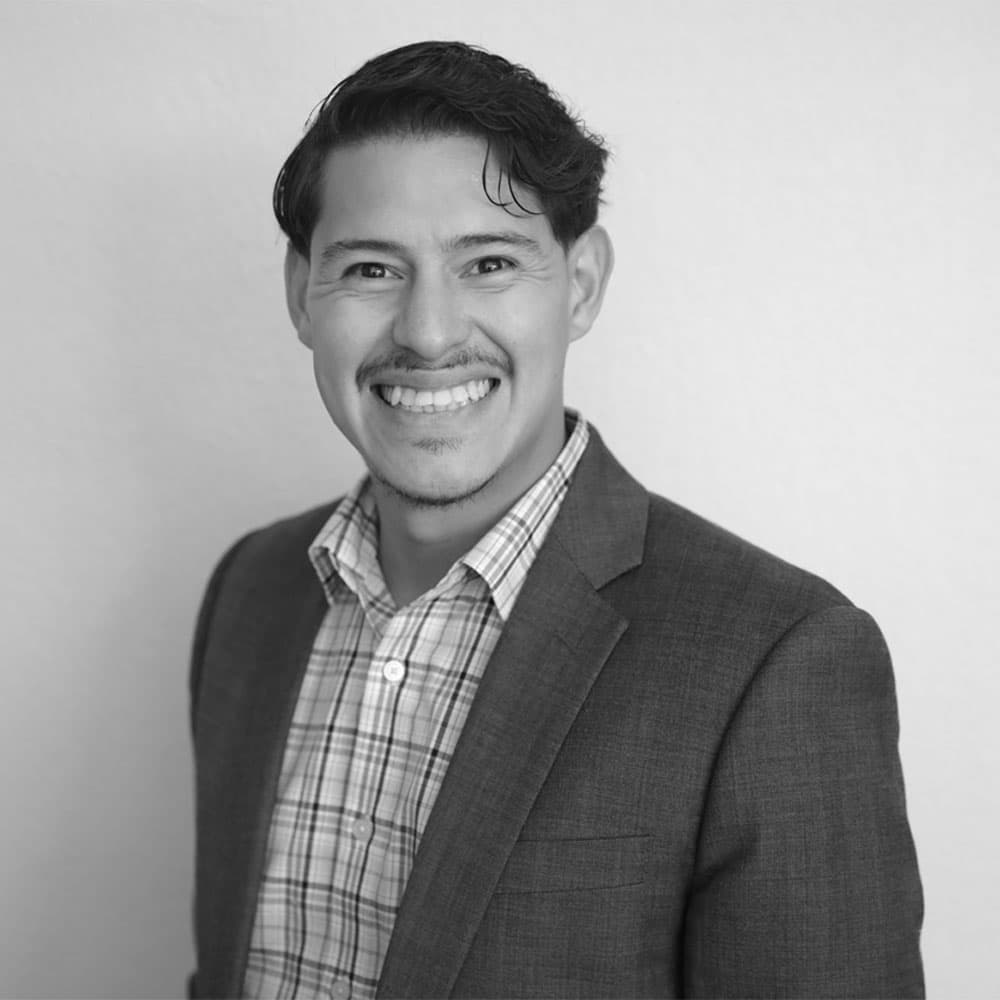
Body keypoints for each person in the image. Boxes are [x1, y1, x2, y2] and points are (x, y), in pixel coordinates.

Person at [188, 40, 924, 999]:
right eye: (371, 269)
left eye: (489, 262)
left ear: (580, 285)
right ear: (302, 295)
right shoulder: (249, 592)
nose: (429, 332)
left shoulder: (779, 660)